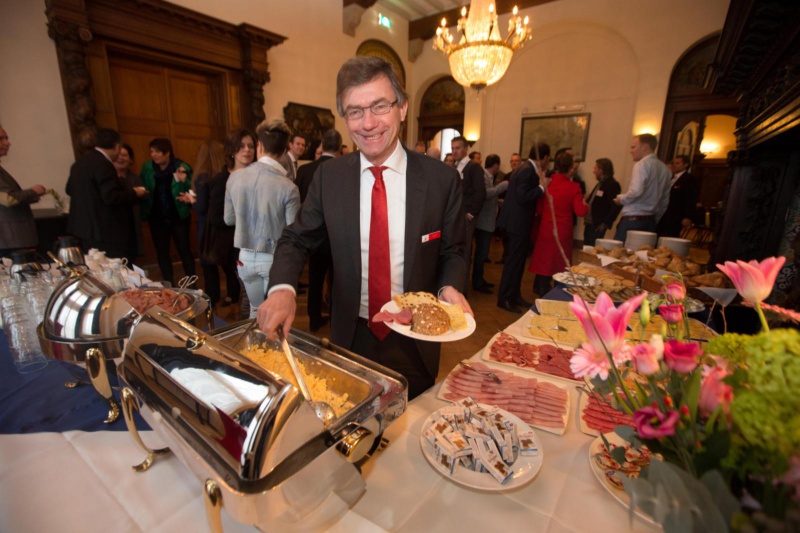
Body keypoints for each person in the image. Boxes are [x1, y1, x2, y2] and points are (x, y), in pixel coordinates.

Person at [257, 56, 470, 400]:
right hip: (349, 337)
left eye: (379, 106)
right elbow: (296, 238)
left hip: (416, 339)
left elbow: (454, 251)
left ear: (402, 108)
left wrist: (449, 287)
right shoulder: (330, 178)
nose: (368, 123)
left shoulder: (441, 180)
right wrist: (282, 288)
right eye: (355, 111)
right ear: (344, 116)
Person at [225, 119, 300, 318]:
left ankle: (253, 348)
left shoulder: (234, 177)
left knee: (255, 310)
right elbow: (292, 231)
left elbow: (229, 219)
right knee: (275, 315)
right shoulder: (289, 187)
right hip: (273, 258)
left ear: (259, 146)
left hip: (244, 257)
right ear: (285, 151)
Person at [66, 128, 146, 259]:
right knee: (110, 267)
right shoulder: (104, 164)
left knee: (93, 266)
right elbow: (111, 196)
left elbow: (69, 189)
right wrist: (134, 193)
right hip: (103, 229)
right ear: (117, 146)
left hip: (82, 229)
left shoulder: (79, 163)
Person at [496, 142, 551, 313]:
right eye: (548, 158)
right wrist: (542, 187)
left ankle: (514, 296)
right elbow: (522, 196)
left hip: (516, 222)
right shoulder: (527, 169)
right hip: (517, 223)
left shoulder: (524, 167)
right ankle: (504, 298)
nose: (548, 162)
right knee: (513, 263)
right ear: (544, 157)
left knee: (517, 263)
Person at [295, 128, 341, 332]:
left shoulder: (304, 171)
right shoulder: (342, 170)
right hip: (336, 237)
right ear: (339, 146)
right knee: (338, 281)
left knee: (314, 280)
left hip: (312, 237)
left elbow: (299, 204)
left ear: (321, 145)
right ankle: (336, 319)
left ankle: (314, 318)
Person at [528, 152, 588, 296]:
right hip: (563, 229)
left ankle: (540, 286)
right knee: (560, 261)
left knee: (545, 259)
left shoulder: (547, 183)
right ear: (570, 168)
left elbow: (540, 208)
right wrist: (586, 204)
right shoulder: (574, 187)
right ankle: (557, 291)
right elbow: (580, 211)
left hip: (547, 226)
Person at [140, 138, 195, 286]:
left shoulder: (181, 167)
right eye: (151, 151)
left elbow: (194, 189)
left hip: (178, 217)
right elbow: (142, 186)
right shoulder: (147, 168)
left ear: (167, 152)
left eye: (157, 151)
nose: (154, 155)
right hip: (157, 218)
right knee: (162, 252)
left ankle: (192, 284)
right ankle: (168, 284)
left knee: (185, 251)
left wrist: (185, 181)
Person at [178, 140, 227, 305]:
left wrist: (191, 200)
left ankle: (212, 298)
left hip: (207, 227)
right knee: (227, 265)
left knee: (208, 265)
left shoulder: (202, 177)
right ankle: (233, 296)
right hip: (223, 225)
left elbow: (201, 207)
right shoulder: (225, 176)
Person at [613, 134, 672, 243]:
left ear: (644, 147)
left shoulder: (642, 164)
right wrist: (655, 219)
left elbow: (636, 191)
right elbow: (664, 201)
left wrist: (621, 199)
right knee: (642, 256)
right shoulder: (665, 169)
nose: (631, 151)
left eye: (633, 147)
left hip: (633, 220)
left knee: (619, 256)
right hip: (651, 221)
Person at [0, 124, 46, 257]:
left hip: (12, 239)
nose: (8, 143)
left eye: (7, 138)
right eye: (1, 139)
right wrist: (34, 191)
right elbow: (8, 199)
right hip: (10, 239)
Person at [451, 135, 486, 294]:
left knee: (464, 254)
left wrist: (471, 214)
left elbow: (480, 192)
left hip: (466, 218)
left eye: (458, 148)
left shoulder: (474, 167)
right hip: (456, 218)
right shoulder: (455, 167)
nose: (455, 151)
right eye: (453, 149)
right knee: (456, 253)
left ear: (466, 149)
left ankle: (462, 291)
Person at [472, 154, 507, 293]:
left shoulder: (488, 177)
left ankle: (480, 279)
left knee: (483, 253)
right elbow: (485, 194)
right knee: (481, 254)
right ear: (496, 165)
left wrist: (498, 202)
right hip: (483, 222)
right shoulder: (484, 176)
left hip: (487, 221)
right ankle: (477, 282)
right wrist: (502, 187)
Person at [113, 143, 145, 264]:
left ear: (130, 159)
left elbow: (145, 194)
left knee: (132, 258)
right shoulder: (109, 178)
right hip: (115, 226)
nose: (121, 158)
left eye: (125, 155)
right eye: (118, 155)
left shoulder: (135, 178)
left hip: (132, 223)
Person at [656, 154, 700, 237]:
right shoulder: (672, 178)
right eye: (673, 163)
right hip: (664, 214)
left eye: (677, 163)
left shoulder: (689, 179)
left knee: (670, 237)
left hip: (676, 216)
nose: (674, 165)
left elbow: (691, 199)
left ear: (685, 165)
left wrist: (688, 217)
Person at [583, 158, 622, 246]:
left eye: (595, 168)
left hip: (597, 225)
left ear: (601, 170)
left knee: (592, 250)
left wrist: (605, 223)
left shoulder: (612, 184)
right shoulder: (601, 183)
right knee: (587, 248)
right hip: (590, 223)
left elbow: (616, 206)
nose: (594, 171)